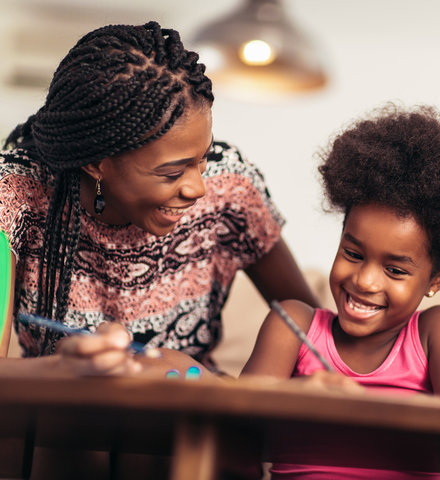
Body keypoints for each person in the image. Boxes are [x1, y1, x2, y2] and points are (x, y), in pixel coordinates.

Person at [0, 21, 319, 377]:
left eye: (203, 158)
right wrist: (63, 369)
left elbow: (317, 337)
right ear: (96, 164)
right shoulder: (16, 193)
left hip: (194, 419)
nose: (197, 188)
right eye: (171, 172)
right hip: (65, 421)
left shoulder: (229, 184)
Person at [242, 104, 440, 478]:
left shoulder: (437, 330)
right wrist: (295, 403)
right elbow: (234, 430)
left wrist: (369, 414)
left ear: (437, 280)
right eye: (353, 253)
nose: (365, 281)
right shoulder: (292, 325)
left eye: (395, 269)